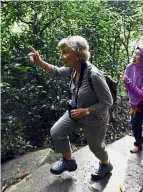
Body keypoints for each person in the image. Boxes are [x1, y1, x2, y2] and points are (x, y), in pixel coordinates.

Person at [28, 36, 113, 180]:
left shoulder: (94, 75)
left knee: (96, 148)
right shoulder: (73, 69)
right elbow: (55, 71)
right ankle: (68, 161)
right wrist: (39, 62)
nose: (61, 56)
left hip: (94, 118)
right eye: (61, 52)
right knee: (57, 132)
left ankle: (106, 165)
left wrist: (85, 111)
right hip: (75, 113)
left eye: (65, 52)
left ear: (78, 54)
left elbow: (107, 102)